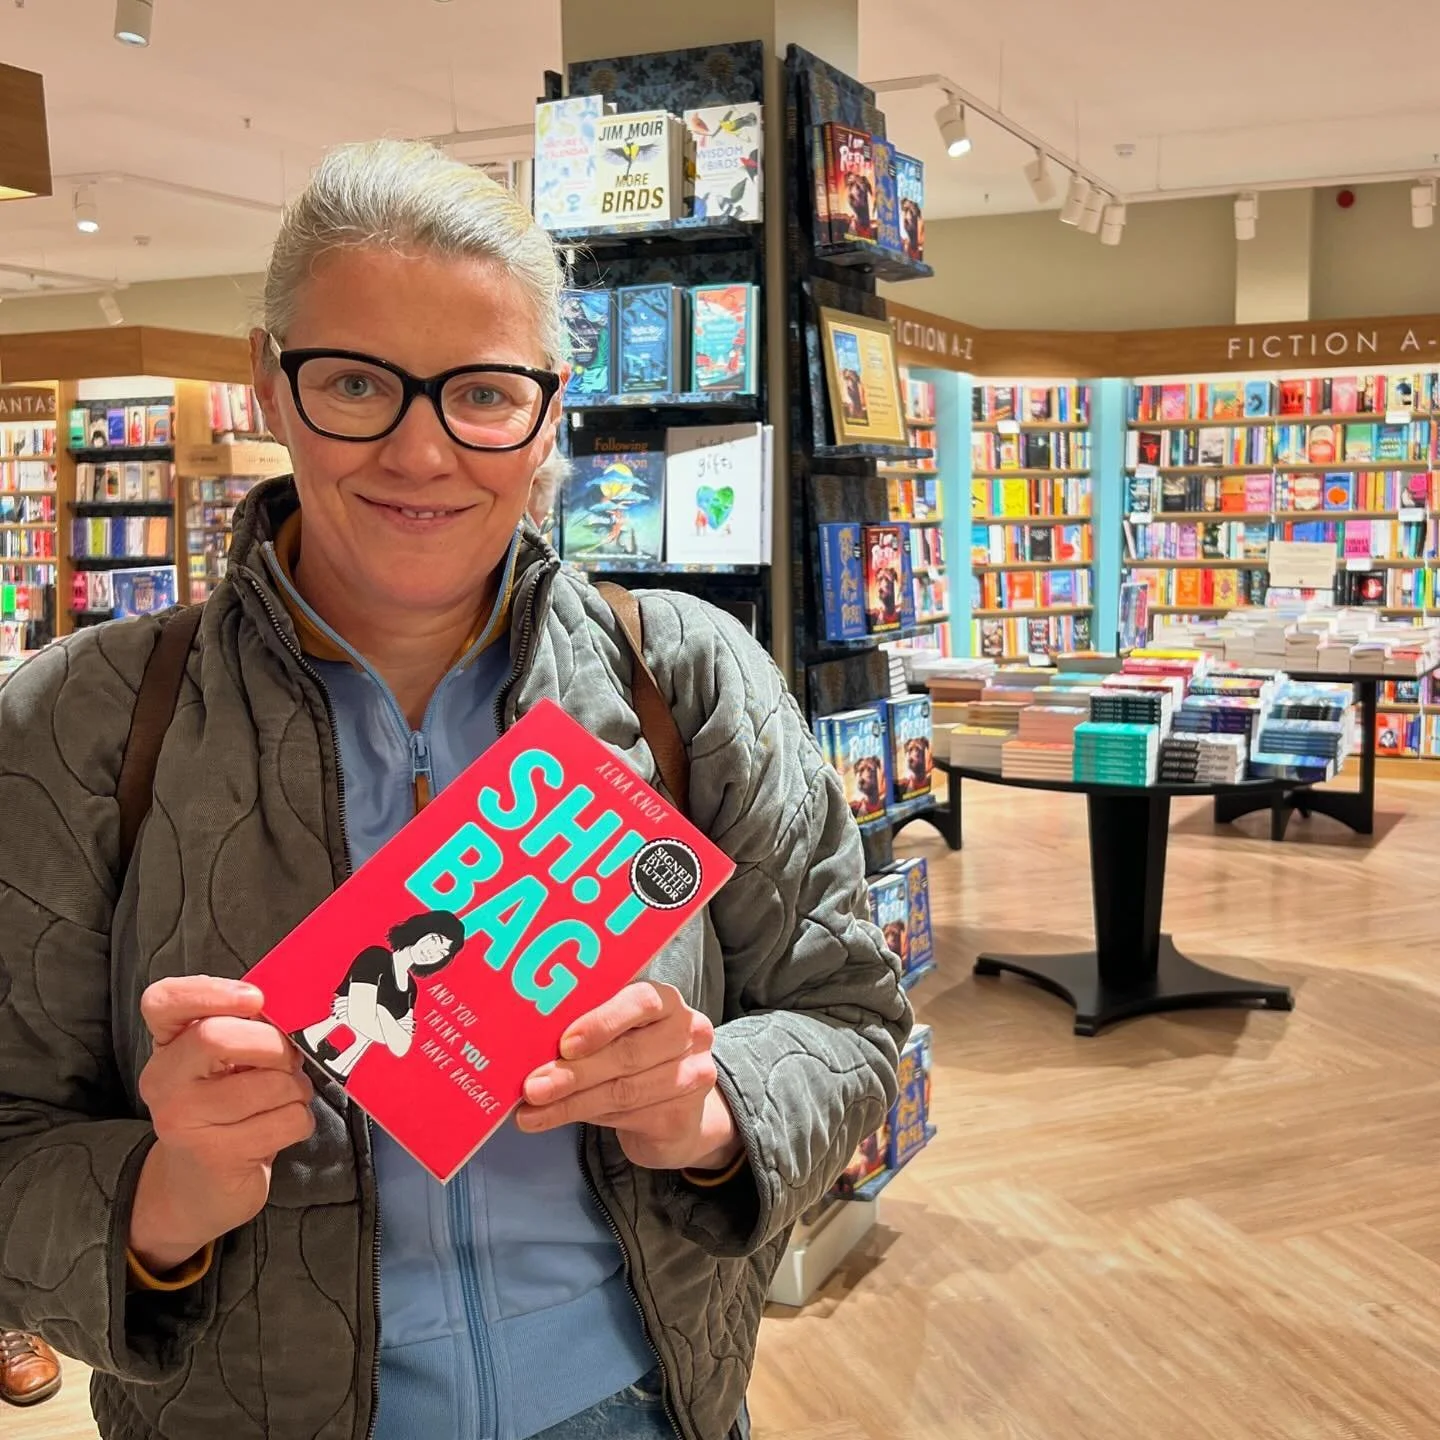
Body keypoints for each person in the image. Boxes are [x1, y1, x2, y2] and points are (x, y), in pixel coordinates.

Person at [0, 139, 911, 1440]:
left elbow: (850, 1020)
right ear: (270, 381)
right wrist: (167, 1192)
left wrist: (717, 1107)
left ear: (550, 407)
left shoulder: (688, 681)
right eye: (359, 382)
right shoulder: (84, 720)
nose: (423, 454)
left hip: (641, 1406)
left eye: (483, 394)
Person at [297, 910, 467, 1081]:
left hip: (338, 1075)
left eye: (442, 953)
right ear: (422, 929)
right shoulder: (376, 957)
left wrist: (378, 1010)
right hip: (305, 1046)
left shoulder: (411, 989)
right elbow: (360, 1019)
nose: (432, 952)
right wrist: (391, 1029)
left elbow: (401, 1047)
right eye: (434, 940)